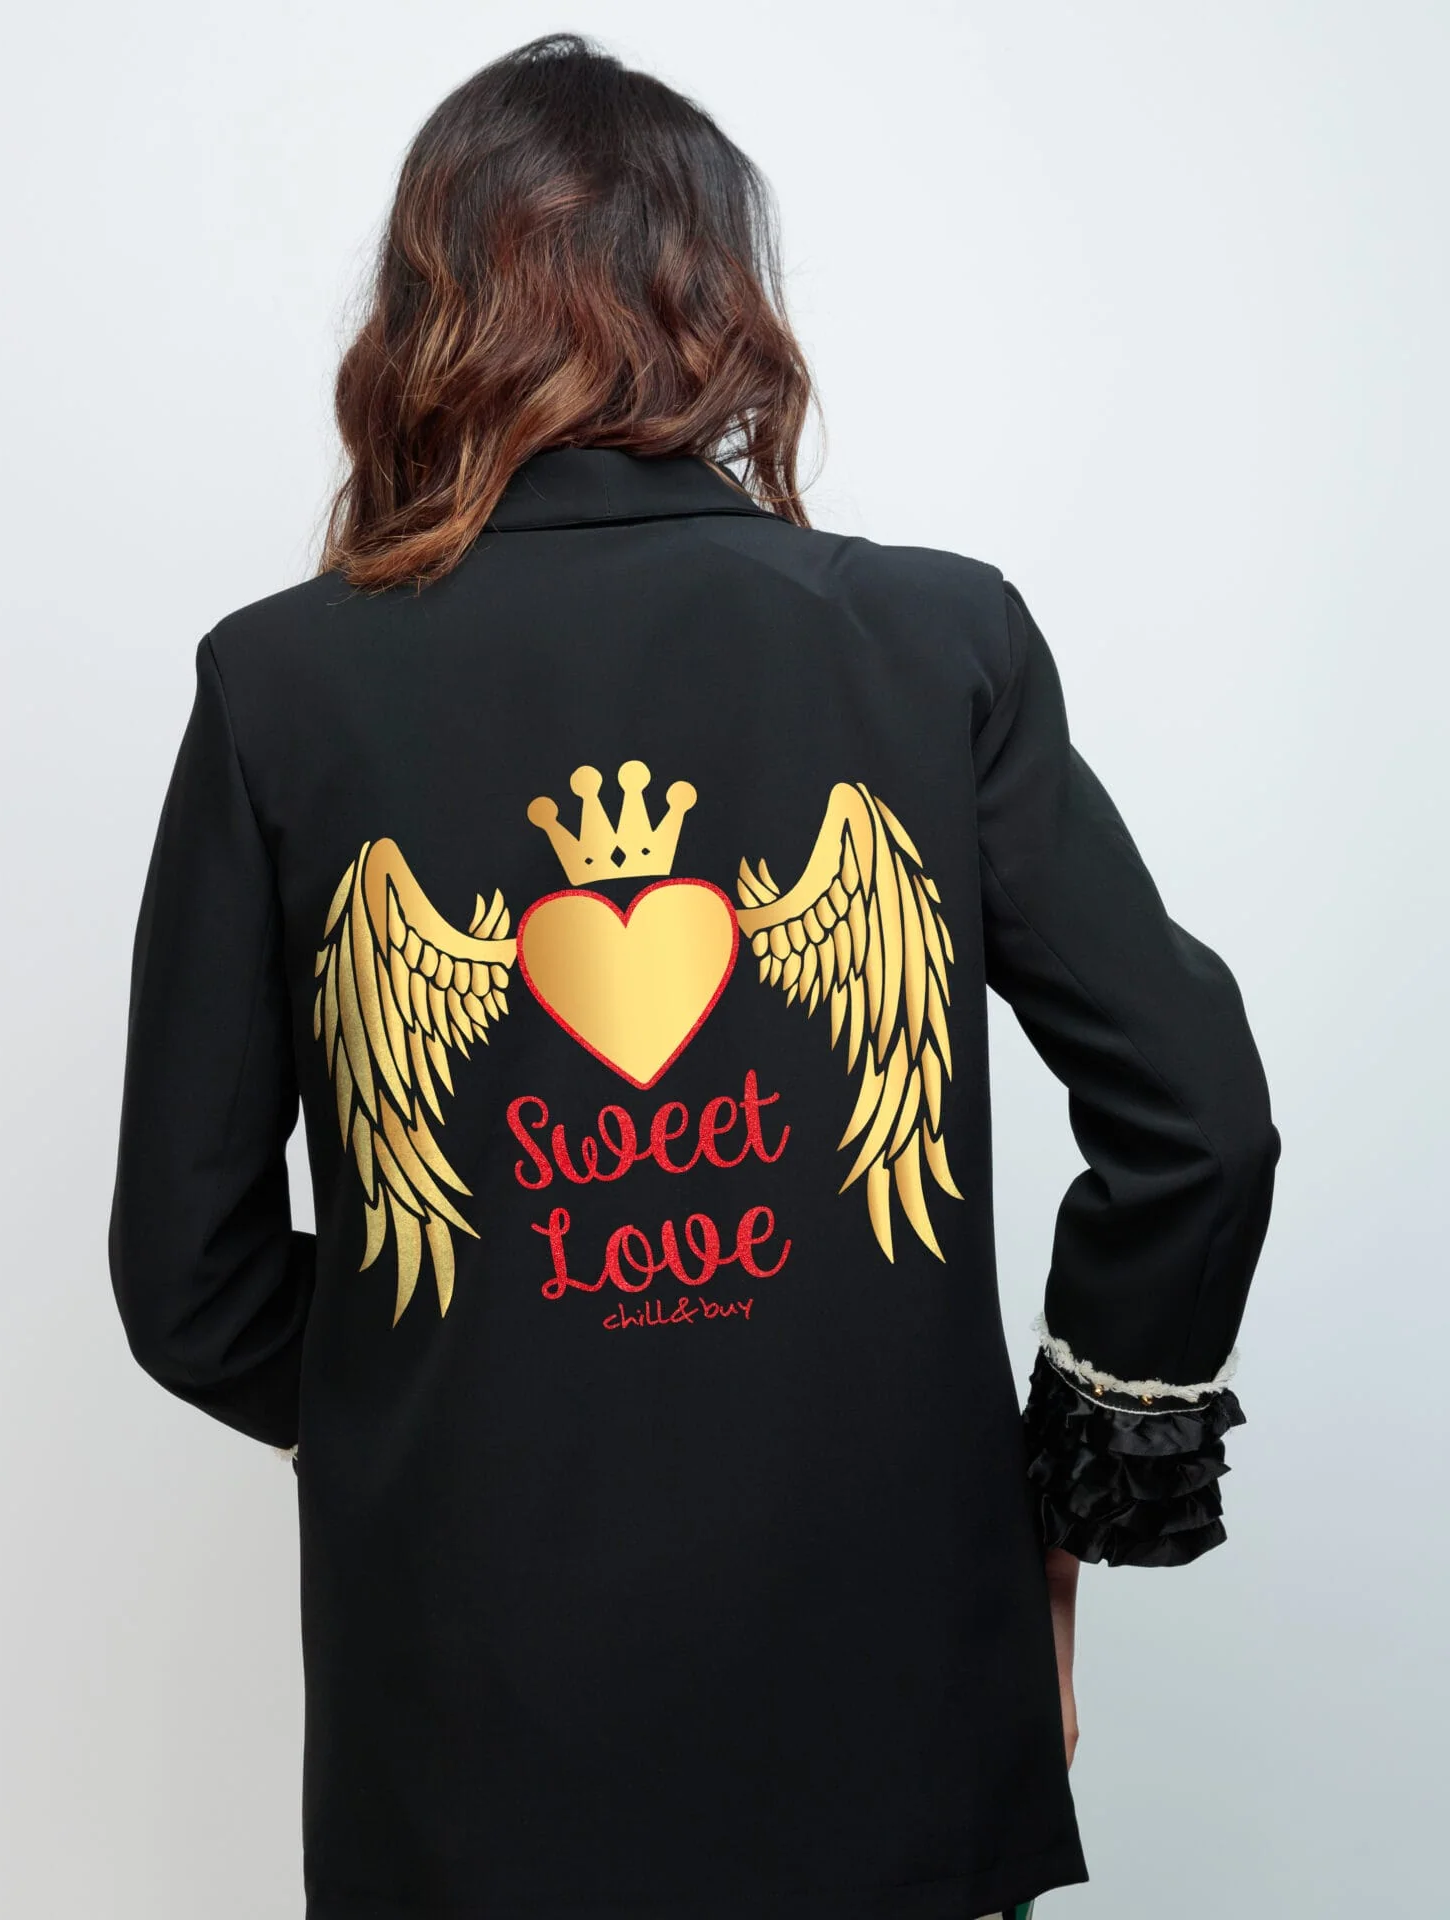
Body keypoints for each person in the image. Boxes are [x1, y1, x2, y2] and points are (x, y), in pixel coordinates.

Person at [107, 34, 1279, 1920]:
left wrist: (470, 1378)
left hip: (468, 1761)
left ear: (425, 312)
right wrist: (1064, 1519)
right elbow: (1199, 1122)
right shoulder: (937, 641)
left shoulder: (284, 687)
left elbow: (191, 1280)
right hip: (893, 1708)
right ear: (723, 301)